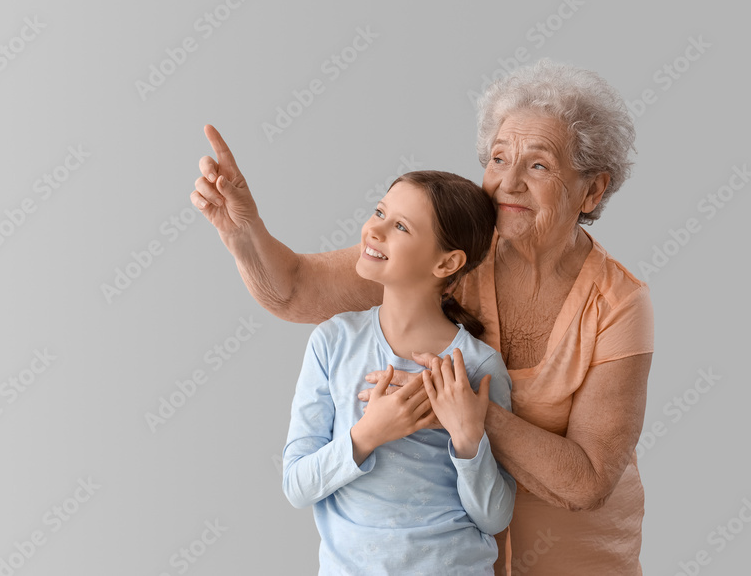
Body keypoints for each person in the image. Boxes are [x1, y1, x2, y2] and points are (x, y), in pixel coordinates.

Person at [191, 59, 654, 574]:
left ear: (591, 190)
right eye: (498, 159)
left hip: (578, 561)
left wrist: (465, 412)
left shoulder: (620, 304)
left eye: (539, 165)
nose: (508, 183)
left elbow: (587, 481)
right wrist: (244, 231)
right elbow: (295, 290)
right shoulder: (449, 257)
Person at [282, 171, 515, 574]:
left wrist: (466, 437)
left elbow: (494, 518)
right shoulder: (333, 343)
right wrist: (369, 433)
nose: (374, 228)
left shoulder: (477, 367)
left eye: (400, 226)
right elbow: (297, 487)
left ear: (447, 262)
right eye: (379, 212)